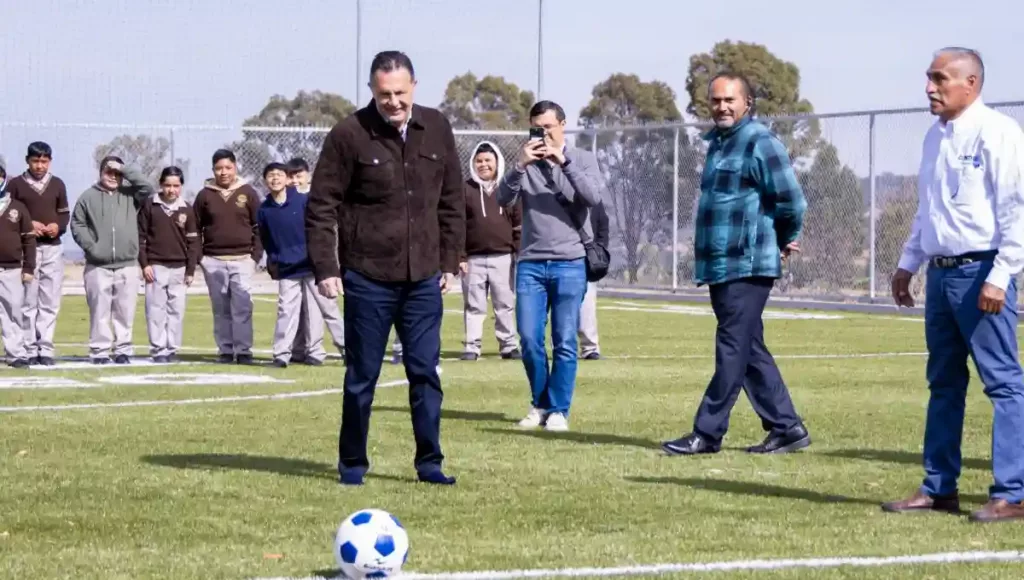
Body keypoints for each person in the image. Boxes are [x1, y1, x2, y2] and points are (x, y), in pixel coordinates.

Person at [306, 50, 464, 486]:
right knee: (362, 377)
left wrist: (450, 261)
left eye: (399, 93)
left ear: (414, 86)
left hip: (424, 279)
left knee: (425, 373)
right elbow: (321, 206)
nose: (393, 102)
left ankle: (430, 463)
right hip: (367, 277)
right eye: (383, 95)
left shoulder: (438, 127)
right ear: (371, 91)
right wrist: (326, 267)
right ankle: (352, 465)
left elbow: (452, 200)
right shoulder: (348, 134)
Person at [883, 47, 1024, 523]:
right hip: (941, 275)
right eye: (929, 78)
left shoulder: (999, 132)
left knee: (1002, 383)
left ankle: (1013, 493)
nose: (930, 88)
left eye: (940, 78)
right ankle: (939, 488)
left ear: (971, 84)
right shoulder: (934, 137)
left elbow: (1017, 210)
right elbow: (928, 210)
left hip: (981, 272)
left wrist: (1001, 275)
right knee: (943, 382)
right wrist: (908, 264)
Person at [660, 72, 809, 457]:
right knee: (748, 347)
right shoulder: (717, 144)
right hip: (720, 264)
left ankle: (707, 432)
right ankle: (787, 427)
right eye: (716, 100)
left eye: (730, 100)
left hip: (748, 263)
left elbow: (792, 200)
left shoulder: (761, 142)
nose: (722, 107)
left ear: (747, 103)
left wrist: (783, 237)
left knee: (731, 346)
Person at [497, 100, 604, 432]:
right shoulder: (526, 163)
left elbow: (592, 197)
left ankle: (558, 409)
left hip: (570, 262)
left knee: (565, 340)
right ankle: (540, 403)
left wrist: (564, 162)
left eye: (548, 127)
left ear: (562, 125)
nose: (542, 134)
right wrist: (519, 165)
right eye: (536, 128)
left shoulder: (582, 159)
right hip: (530, 263)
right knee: (529, 339)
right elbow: (502, 199)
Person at [70, 157, 154, 364]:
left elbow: (148, 187)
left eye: (117, 173)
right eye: (109, 172)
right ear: (101, 172)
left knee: (124, 312)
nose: (113, 177)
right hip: (98, 266)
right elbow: (77, 224)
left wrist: (124, 169)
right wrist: (93, 248)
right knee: (99, 311)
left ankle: (123, 350)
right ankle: (99, 351)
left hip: (127, 264)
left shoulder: (130, 195)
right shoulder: (87, 197)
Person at [193, 149, 263, 365]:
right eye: (218, 168)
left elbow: (259, 226)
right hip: (213, 261)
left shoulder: (248, 192)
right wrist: (200, 258)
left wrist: (255, 256)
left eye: (228, 168)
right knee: (221, 309)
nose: (223, 172)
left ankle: (243, 351)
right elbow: (194, 228)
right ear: (213, 170)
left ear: (235, 167)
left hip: (243, 260)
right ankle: (225, 350)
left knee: (242, 307)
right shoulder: (204, 195)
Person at [259, 162, 329, 367]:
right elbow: (266, 238)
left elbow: (315, 230)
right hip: (287, 268)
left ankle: (315, 352)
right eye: (270, 175)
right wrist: (274, 259)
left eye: (279, 174)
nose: (275, 178)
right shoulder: (264, 209)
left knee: (314, 312)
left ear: (287, 178)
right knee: (286, 311)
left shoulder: (302, 200)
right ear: (265, 180)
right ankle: (281, 354)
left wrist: (319, 258)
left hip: (309, 265)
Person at [6, 142, 69, 366]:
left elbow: (64, 214)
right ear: (28, 160)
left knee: (50, 300)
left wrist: (57, 226)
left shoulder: (57, 184)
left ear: (50, 161)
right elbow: (9, 213)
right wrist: (29, 223)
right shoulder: (15, 184)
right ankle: (29, 347)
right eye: (35, 161)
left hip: (53, 248)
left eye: (44, 161)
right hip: (28, 249)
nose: (40, 166)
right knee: (27, 300)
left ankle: (46, 348)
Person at [459, 140, 522, 361]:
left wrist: (519, 253)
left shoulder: (509, 187)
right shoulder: (465, 189)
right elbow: (458, 225)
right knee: (473, 305)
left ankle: (508, 345)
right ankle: (472, 346)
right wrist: (460, 256)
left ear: (497, 162)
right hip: (473, 259)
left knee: (504, 304)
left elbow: (518, 224)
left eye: (488, 160)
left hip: (503, 257)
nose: (483, 165)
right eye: (479, 161)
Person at [286, 157, 346, 362]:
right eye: (291, 176)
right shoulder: (285, 199)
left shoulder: (317, 197)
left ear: (308, 175)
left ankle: (347, 347)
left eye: (299, 175)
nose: (295, 180)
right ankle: (305, 350)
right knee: (302, 310)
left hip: (318, 262)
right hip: (296, 264)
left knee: (328, 307)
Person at [138, 166, 199, 363]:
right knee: (155, 309)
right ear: (161, 185)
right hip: (155, 266)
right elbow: (140, 238)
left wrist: (190, 270)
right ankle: (158, 349)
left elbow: (193, 242)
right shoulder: (150, 205)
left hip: (180, 269)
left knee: (176, 310)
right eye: (167, 185)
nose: (171, 190)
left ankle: (172, 348)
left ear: (181, 186)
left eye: (176, 186)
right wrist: (145, 264)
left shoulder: (187, 208)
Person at [0, 164, 36, 369]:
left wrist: (29, 267)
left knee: (13, 313)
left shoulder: (18, 207)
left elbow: (29, 239)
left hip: (11, 270)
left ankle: (16, 354)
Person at [578, 200, 610, 360]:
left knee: (587, 306)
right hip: (564, 257)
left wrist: (599, 248)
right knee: (561, 306)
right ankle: (561, 346)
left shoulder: (594, 199)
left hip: (587, 260)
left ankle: (590, 348)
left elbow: (603, 225)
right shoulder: (561, 194)